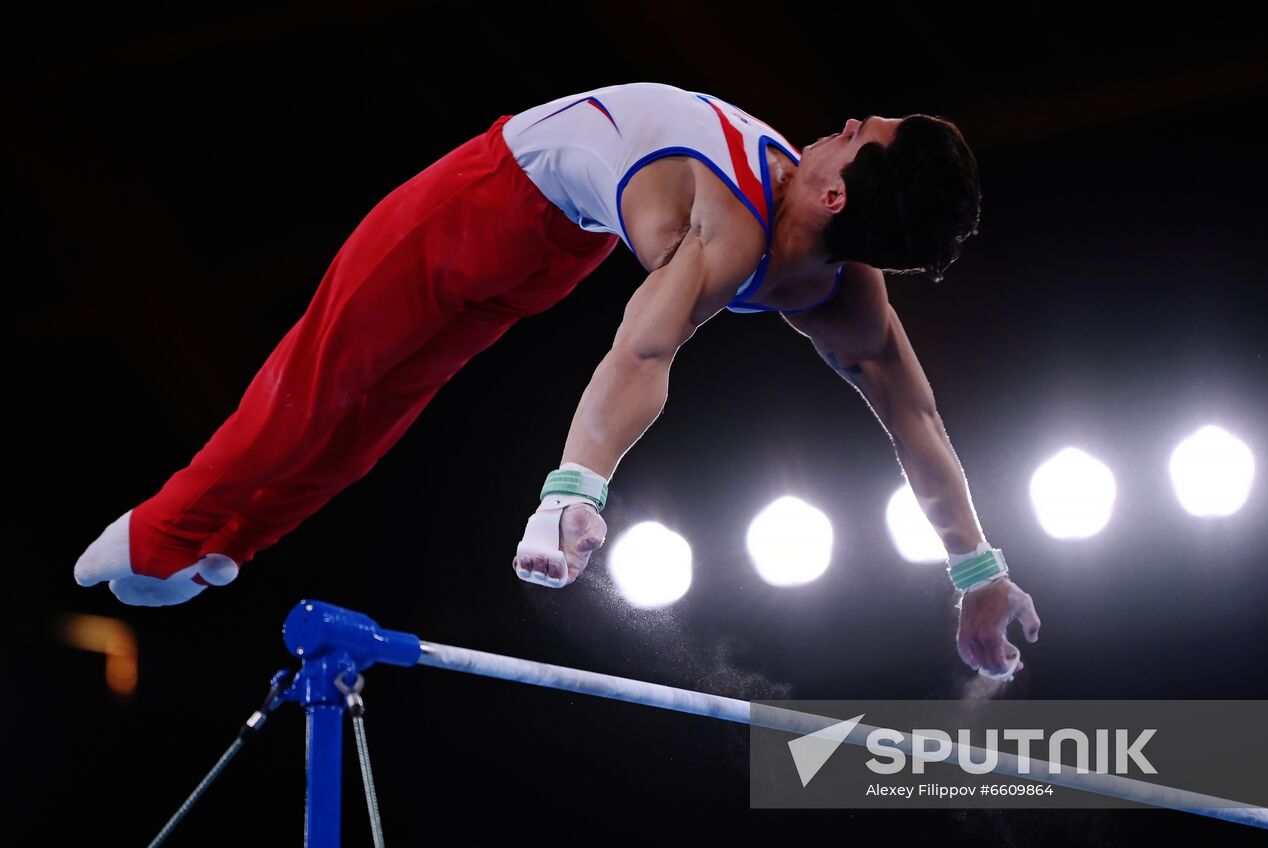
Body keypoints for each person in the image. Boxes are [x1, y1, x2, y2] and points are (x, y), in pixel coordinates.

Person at [74, 81, 1040, 681]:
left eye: (854, 134)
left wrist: (978, 572)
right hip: (483, 196)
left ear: (837, 196)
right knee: (328, 381)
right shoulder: (739, 215)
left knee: (380, 408)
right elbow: (643, 351)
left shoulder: (825, 284)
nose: (834, 124)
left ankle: (230, 541)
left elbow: (913, 421)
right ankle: (164, 535)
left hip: (551, 248)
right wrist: (573, 488)